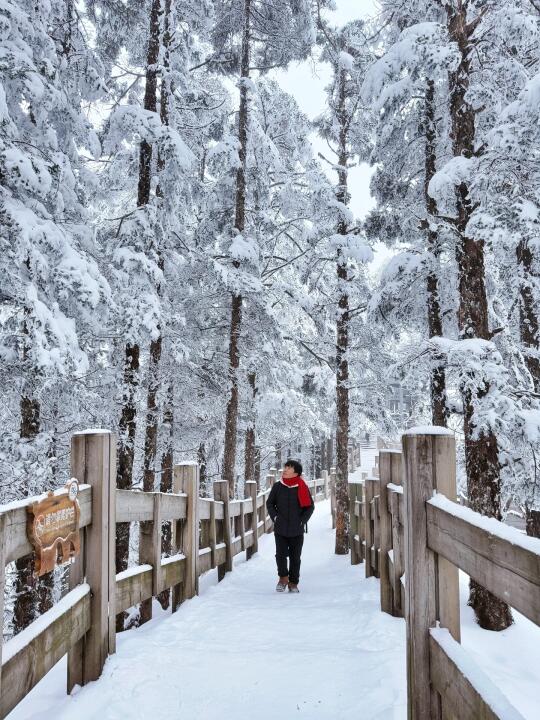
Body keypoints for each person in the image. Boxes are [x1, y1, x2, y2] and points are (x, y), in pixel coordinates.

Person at [266, 459, 314, 593]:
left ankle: (293, 582)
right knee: (280, 555)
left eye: (289, 467)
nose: (285, 469)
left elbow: (310, 507)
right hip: (280, 528)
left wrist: (302, 521)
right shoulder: (277, 486)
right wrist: (275, 517)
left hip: (297, 529)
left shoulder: (302, 486)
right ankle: (283, 578)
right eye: (285, 467)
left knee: (295, 557)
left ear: (296, 472)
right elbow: (270, 503)